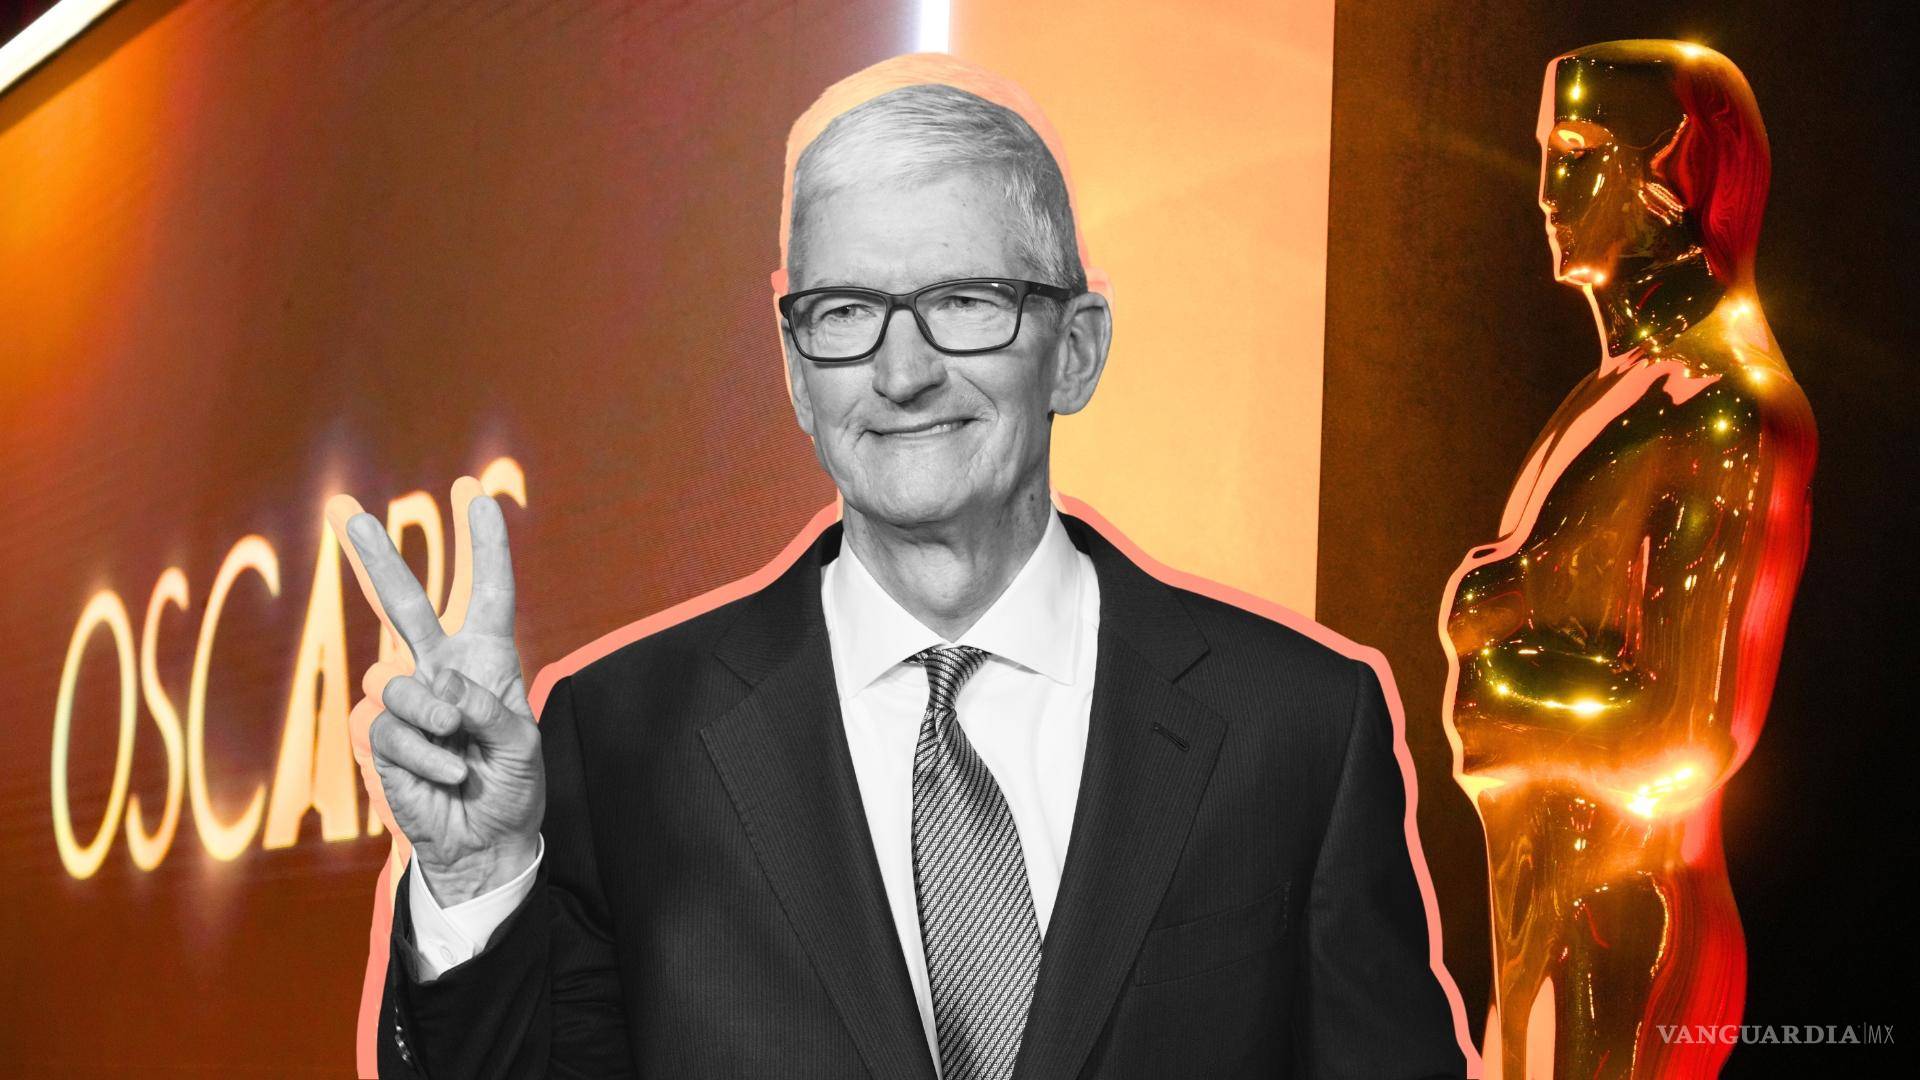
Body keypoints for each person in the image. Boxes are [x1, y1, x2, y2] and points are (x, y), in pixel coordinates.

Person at [342, 54, 1466, 1079]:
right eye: (846, 313)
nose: (902, 371)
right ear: (796, 372)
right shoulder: (621, 737)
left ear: (1075, 350)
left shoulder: (1299, 727)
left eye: (963, 302)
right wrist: (477, 882)